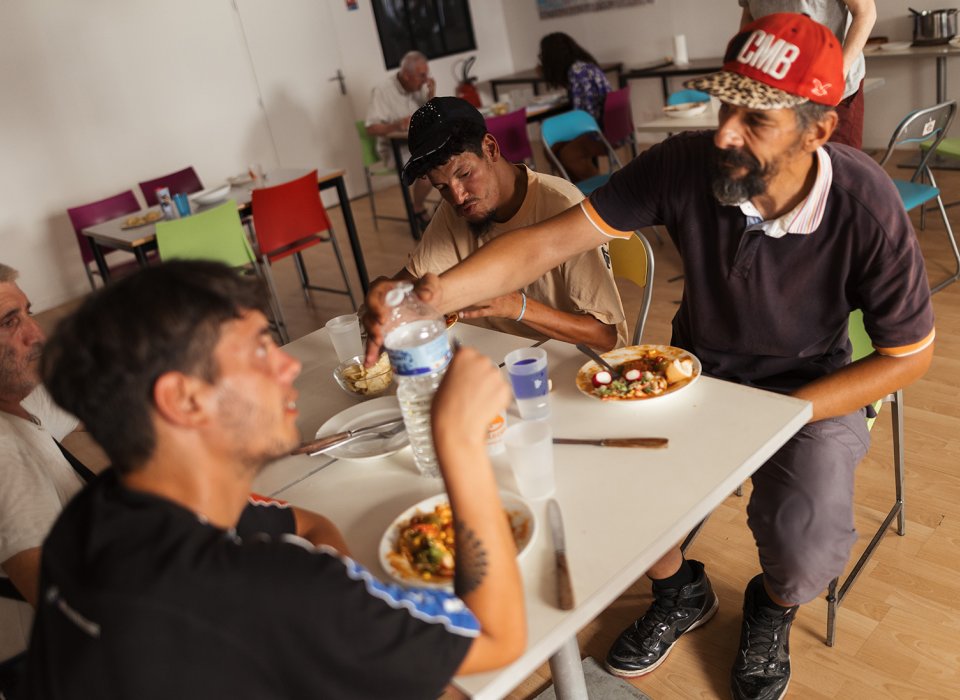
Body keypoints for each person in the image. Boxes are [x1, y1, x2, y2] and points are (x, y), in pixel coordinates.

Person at [365, 14, 935, 700]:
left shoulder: (865, 205)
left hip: (808, 385)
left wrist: (783, 415)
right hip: (698, 369)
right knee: (622, 491)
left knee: (806, 545)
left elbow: (908, 356)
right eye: (726, 105)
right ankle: (679, 592)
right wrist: (429, 295)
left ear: (817, 129)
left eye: (755, 121)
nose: (725, 132)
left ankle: (774, 605)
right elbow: (547, 243)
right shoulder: (688, 163)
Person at [26, 261, 525, 699]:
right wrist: (459, 445)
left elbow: (308, 523)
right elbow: (499, 636)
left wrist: (351, 616)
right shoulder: (271, 590)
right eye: (261, 350)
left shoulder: (99, 509)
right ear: (184, 399)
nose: (288, 364)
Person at [393, 96, 627, 351]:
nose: (457, 196)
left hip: (577, 361)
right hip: (503, 358)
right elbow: (410, 283)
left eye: (465, 174)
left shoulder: (562, 205)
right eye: (441, 187)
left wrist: (518, 307)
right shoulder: (458, 208)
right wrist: (386, 294)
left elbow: (606, 337)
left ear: (490, 148)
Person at [0, 263, 88, 697]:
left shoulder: (16, 405)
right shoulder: (4, 455)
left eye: (27, 313)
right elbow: (68, 613)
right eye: (9, 322)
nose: (37, 334)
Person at [739, 0, 877, 149]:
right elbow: (749, 15)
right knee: (784, 159)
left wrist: (837, 73)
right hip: (774, 84)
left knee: (837, 160)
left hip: (827, 81)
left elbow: (866, 13)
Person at [366, 50, 437, 230]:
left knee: (454, 156)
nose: (425, 79)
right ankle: (418, 208)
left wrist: (431, 96)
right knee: (429, 168)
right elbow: (371, 128)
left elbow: (433, 117)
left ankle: (446, 209)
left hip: (421, 144)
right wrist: (396, 125)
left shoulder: (418, 88)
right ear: (406, 75)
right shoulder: (382, 91)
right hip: (395, 150)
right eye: (421, 76)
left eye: (426, 74)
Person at [539, 32, 612, 182]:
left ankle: (600, 190)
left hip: (599, 132)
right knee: (552, 150)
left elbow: (581, 117)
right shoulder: (583, 67)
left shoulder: (577, 72)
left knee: (567, 154)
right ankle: (578, 190)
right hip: (607, 127)